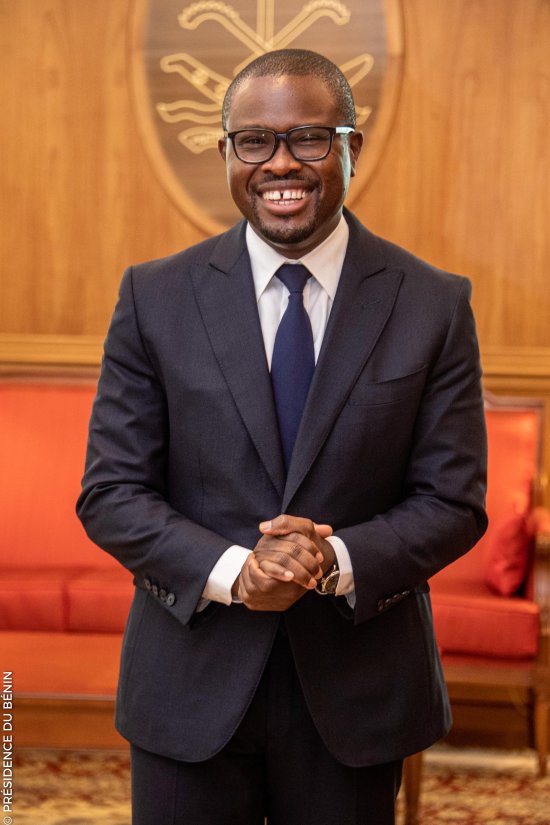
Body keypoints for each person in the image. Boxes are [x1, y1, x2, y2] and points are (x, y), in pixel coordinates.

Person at [77, 48, 487, 825]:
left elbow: (452, 502)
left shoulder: (433, 304)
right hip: (189, 682)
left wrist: (331, 561)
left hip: (357, 692)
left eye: (308, 137)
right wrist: (239, 572)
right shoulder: (154, 297)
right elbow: (112, 492)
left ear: (351, 147)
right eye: (255, 141)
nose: (280, 163)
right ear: (227, 153)